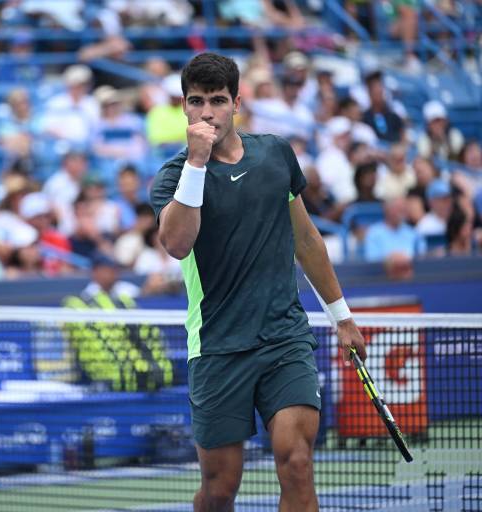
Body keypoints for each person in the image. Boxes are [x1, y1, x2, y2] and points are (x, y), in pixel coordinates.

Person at [150, 52, 366, 511]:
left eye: (217, 100)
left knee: (297, 462)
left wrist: (342, 317)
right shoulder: (173, 176)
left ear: (236, 103)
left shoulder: (275, 154)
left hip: (284, 338)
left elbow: (306, 239)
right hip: (218, 347)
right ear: (184, 106)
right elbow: (177, 244)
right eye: (196, 101)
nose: (207, 112)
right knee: (219, 490)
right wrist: (196, 162)